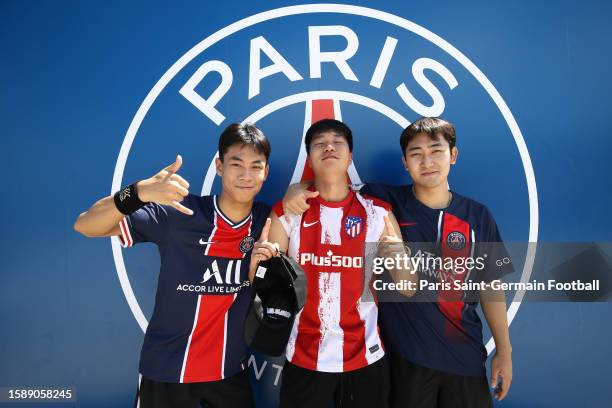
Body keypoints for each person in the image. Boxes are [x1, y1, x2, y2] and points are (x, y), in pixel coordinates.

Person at [283, 117, 514, 407]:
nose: (427, 161)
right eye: (416, 154)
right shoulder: (382, 202)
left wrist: (504, 350)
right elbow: (331, 178)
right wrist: (296, 190)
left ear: (453, 155)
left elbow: (491, 287)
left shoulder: (478, 216)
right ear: (405, 162)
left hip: (464, 356)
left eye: (436, 151)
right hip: (407, 360)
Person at [74, 123, 278, 408]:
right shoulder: (180, 213)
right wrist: (137, 192)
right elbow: (86, 224)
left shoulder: (269, 220)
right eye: (236, 163)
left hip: (229, 372)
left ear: (265, 173)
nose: (246, 175)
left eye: (256, 166)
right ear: (219, 166)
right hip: (168, 371)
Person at [268, 119, 415, 408]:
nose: (329, 146)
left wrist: (398, 255)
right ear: (309, 157)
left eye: (338, 142)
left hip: (366, 357)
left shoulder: (378, 213)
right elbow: (268, 286)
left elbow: (409, 287)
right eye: (319, 143)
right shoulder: (288, 211)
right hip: (304, 357)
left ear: (350, 156)